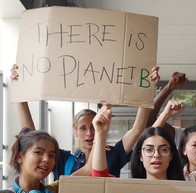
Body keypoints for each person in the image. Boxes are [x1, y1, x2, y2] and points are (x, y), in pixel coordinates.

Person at [10, 64, 161, 179]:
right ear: (74, 130)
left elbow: (137, 130)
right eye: (83, 128)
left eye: (94, 127)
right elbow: (30, 138)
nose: (90, 133)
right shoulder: (61, 158)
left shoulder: (114, 154)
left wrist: (147, 91)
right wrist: (19, 95)